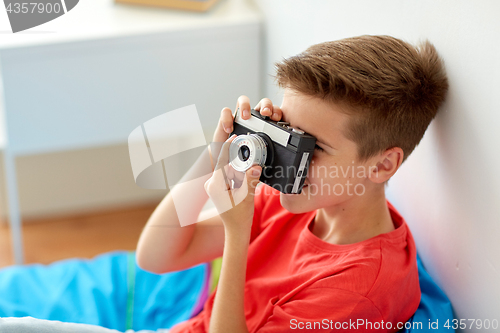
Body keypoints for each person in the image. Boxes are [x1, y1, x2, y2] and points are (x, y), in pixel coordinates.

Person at [136, 35, 449, 333]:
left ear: (382, 165)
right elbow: (155, 256)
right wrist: (220, 150)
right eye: (286, 134)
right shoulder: (297, 199)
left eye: (313, 148)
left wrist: (237, 232)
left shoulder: (358, 288)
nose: (291, 162)